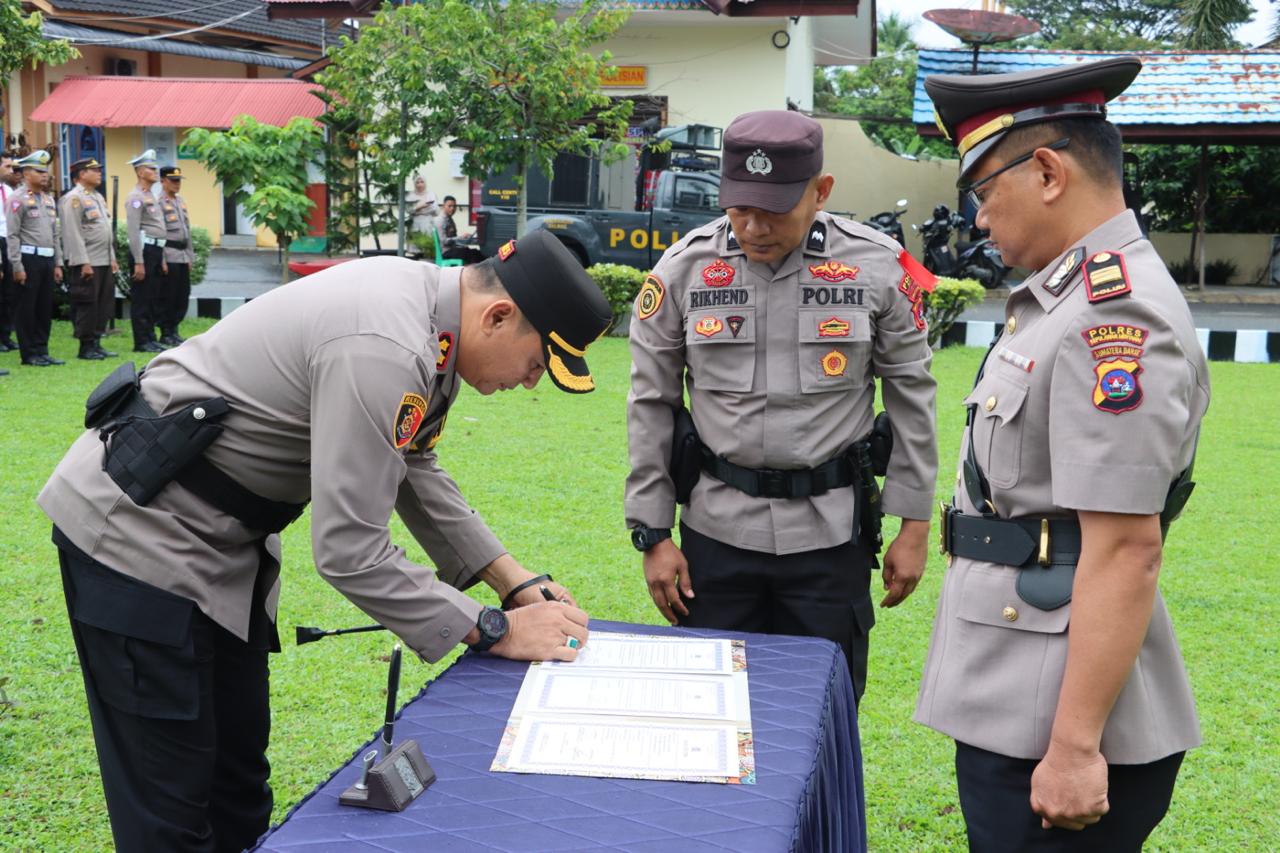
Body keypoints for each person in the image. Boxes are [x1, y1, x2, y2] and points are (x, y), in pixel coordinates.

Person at [40, 228, 611, 852]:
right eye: (536, 365)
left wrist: (514, 582)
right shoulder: (386, 343)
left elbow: (412, 462)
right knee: (171, 812)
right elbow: (350, 552)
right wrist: (493, 628)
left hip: (220, 549)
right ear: (499, 315)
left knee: (238, 788)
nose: (529, 383)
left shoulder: (431, 320)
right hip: (136, 537)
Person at [917, 57, 1209, 851]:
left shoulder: (1114, 315)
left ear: (1047, 171)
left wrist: (1076, 745)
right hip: (1020, 683)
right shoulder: (1065, 298)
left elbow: (1124, 548)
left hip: (1053, 717)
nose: (979, 219)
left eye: (984, 193)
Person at [625, 110, 938, 703]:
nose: (752, 226)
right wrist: (653, 533)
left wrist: (914, 524)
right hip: (715, 537)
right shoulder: (685, 269)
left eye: (773, 209)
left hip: (829, 538)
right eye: (740, 207)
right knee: (714, 715)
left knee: (820, 715)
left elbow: (912, 395)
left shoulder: (877, 267)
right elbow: (651, 403)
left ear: (821, 193)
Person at [5, 149, 64, 367]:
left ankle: (42, 349)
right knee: (27, 308)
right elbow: (12, 235)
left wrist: (58, 262)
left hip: (47, 260)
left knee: (43, 307)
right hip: (28, 259)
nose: (45, 175)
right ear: (26, 173)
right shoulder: (17, 199)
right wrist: (17, 265)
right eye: (39, 171)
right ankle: (29, 353)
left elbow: (55, 234)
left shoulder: (48, 199)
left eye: (45, 171)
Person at [60, 157, 119, 361]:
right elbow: (72, 233)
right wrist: (82, 262)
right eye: (94, 170)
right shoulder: (73, 198)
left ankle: (96, 342)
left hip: (102, 259)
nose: (99, 173)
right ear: (82, 174)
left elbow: (105, 231)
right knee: (87, 303)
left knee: (102, 304)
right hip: (88, 261)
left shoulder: (97, 197)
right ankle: (85, 347)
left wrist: (111, 257)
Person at [124, 148, 167, 353]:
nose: (156, 171)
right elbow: (133, 231)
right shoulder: (135, 196)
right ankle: (141, 341)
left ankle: (150, 337)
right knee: (142, 298)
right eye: (151, 168)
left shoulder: (151, 195)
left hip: (156, 250)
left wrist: (163, 258)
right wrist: (139, 261)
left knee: (153, 297)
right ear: (140, 172)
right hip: (145, 250)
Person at [158, 166, 194, 346]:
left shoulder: (180, 201)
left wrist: (190, 257)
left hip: (182, 255)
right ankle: (166, 331)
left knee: (182, 294)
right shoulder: (159, 202)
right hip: (170, 254)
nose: (177, 184)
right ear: (163, 181)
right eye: (173, 180)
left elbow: (187, 231)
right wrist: (162, 259)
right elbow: (160, 233)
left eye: (178, 180)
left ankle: (174, 330)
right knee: (169, 296)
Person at [0, 151, 19, 357]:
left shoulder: (8, 191)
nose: (12, 171)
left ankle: (6, 336)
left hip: (9, 242)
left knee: (9, 293)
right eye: (6, 166)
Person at [433, 195, 484, 264]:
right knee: (471, 254)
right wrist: (460, 237)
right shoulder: (440, 220)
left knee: (475, 252)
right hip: (446, 252)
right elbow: (444, 241)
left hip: (453, 249)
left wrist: (465, 239)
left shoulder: (450, 219)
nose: (452, 208)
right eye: (449, 206)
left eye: (454, 206)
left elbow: (454, 239)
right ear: (443, 206)